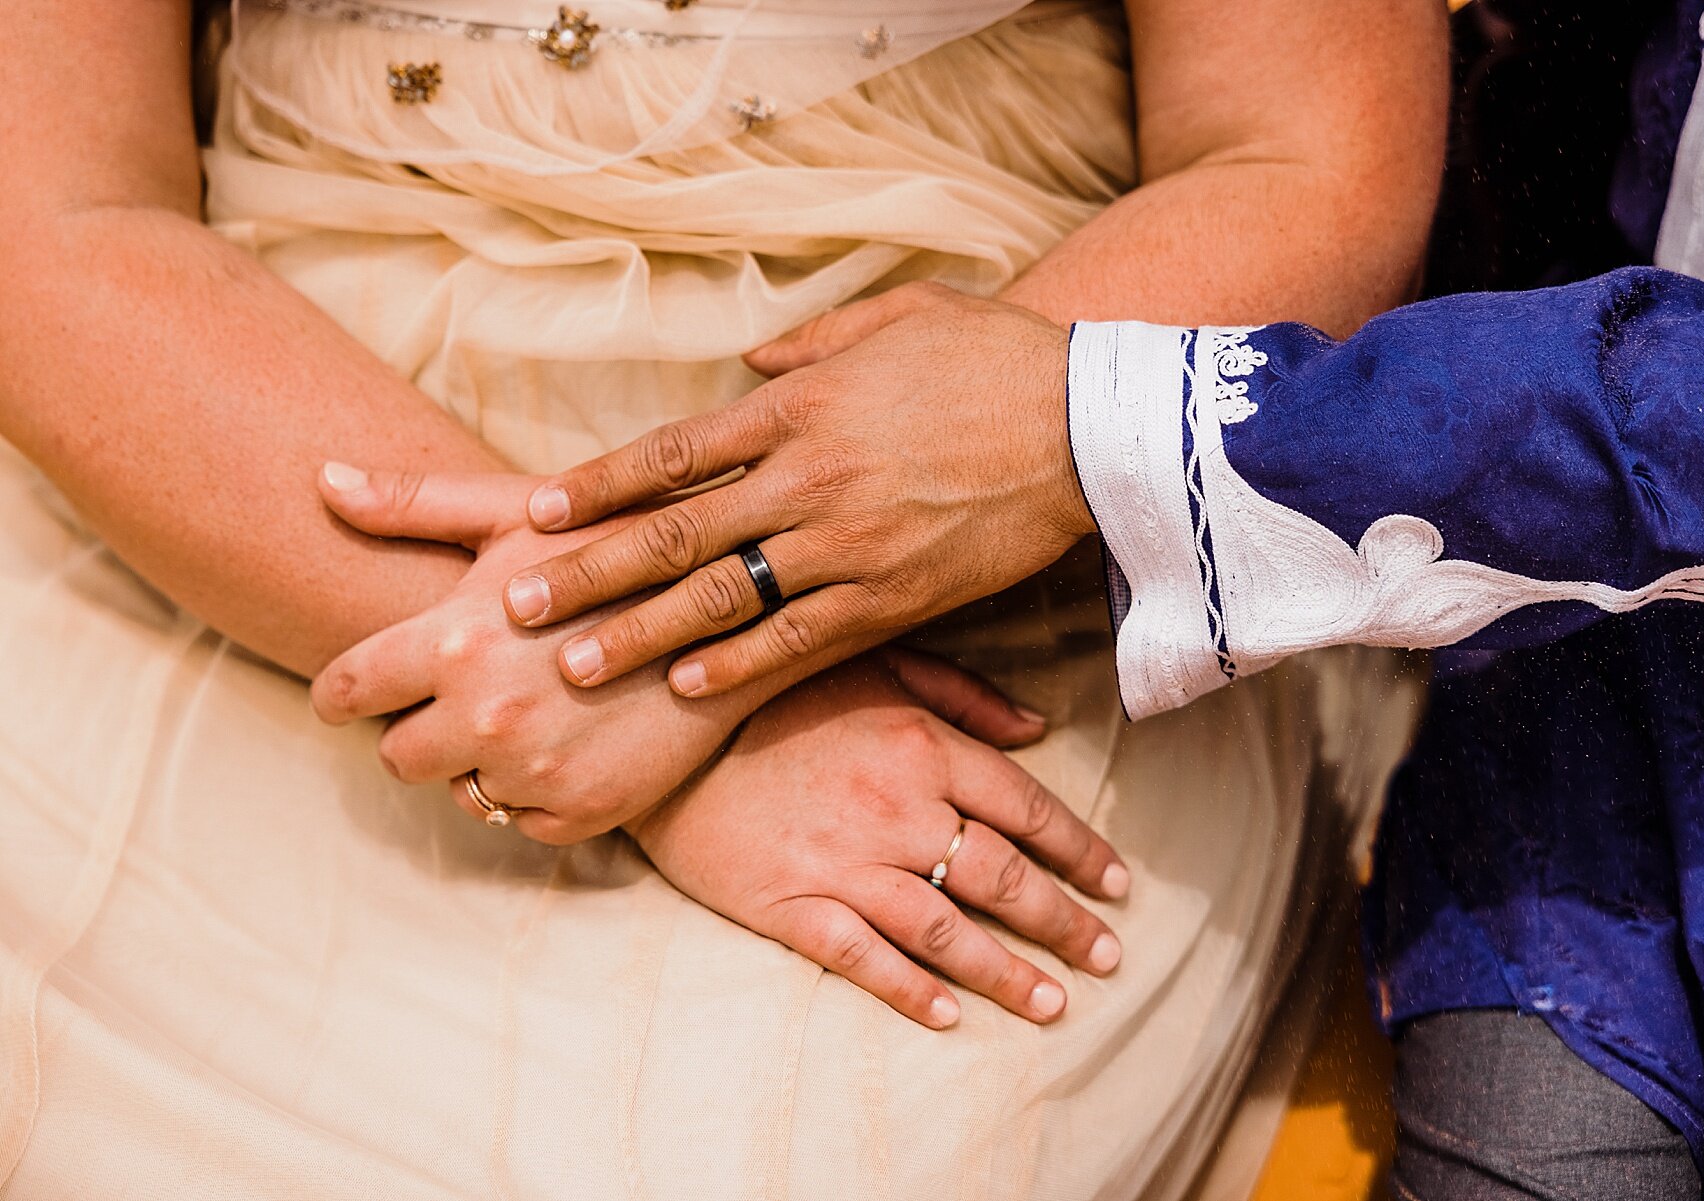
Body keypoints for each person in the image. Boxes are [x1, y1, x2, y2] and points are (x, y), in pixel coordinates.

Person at [0, 0, 1444, 1196]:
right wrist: (603, 662)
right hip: (239, 494)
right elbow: (53, 214)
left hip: (984, 566)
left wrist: (707, 638)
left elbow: (1305, 160)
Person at [485, 1, 1704, 1197]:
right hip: (1584, 723)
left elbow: (1316, 167)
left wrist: (1083, 427)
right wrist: (532, 624)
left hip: (1115, 534)